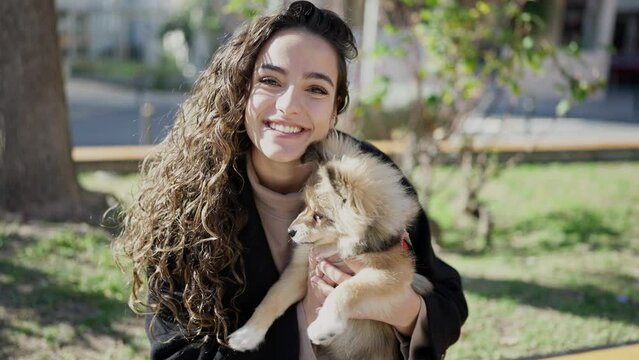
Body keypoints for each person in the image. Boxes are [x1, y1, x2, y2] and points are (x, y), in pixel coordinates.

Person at [115, 1, 467, 359]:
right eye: (270, 81)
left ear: (335, 110)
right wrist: (306, 318)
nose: (289, 104)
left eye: (316, 89)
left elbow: (448, 300)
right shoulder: (188, 198)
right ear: (241, 90)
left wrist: (402, 310)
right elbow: (175, 352)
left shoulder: (365, 176)